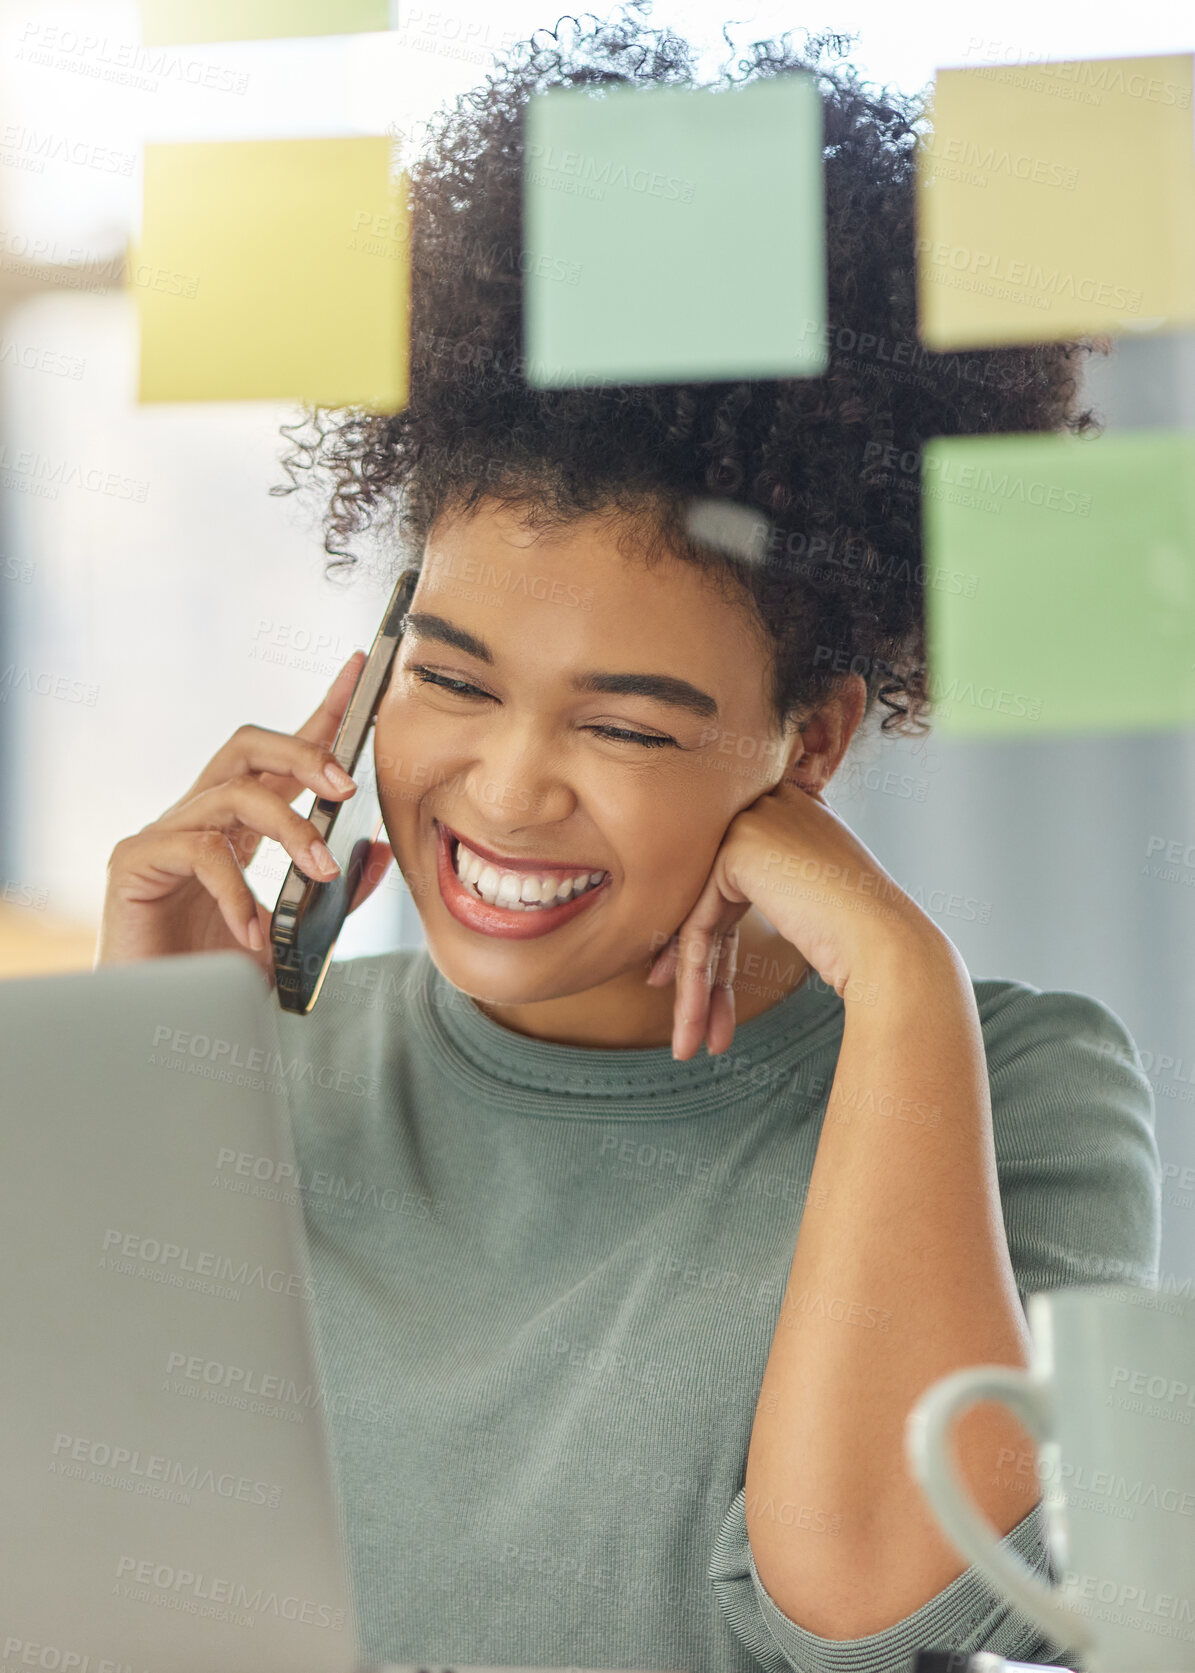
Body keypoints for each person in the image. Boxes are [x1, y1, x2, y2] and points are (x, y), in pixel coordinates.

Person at [97, 11, 1161, 1672]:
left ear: (809, 740)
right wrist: (142, 1092)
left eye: (627, 724)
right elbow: (118, 1596)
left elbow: (873, 1599)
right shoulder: (286, 1060)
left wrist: (893, 973)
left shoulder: (1013, 1079)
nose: (508, 789)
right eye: (450, 678)